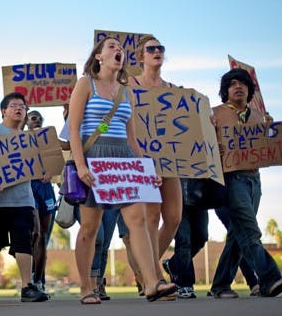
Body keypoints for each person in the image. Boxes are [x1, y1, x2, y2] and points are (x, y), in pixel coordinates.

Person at [69, 37, 175, 304]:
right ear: (98, 57)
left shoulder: (126, 92)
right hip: (95, 158)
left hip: (125, 160)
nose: (119, 51)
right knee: (90, 229)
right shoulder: (85, 84)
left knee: (137, 220)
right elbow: (73, 130)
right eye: (112, 47)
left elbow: (133, 139)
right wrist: (81, 165)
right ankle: (86, 287)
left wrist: (146, 169)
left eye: (121, 48)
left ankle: (151, 282)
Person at [209, 68, 282, 298]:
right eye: (232, 84)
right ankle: (269, 278)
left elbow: (275, 148)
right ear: (225, 90)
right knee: (249, 230)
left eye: (243, 84)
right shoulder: (213, 114)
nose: (238, 87)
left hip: (254, 179)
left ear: (250, 90)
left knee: (239, 233)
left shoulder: (260, 117)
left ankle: (220, 285)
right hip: (230, 179)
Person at [0, 92, 49, 303]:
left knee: (24, 243)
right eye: (14, 105)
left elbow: (43, 164)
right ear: (3, 111)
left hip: (22, 200)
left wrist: (45, 172)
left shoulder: (30, 139)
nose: (19, 109)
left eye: (23, 107)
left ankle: (27, 287)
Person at [127, 35, 182, 281]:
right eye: (151, 49)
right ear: (141, 56)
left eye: (160, 48)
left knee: (173, 217)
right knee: (151, 216)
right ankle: (155, 276)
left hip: (169, 160)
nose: (157, 51)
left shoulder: (173, 90)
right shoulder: (129, 85)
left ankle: (144, 269)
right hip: (142, 159)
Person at [25, 110, 56, 296]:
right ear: (27, 121)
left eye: (39, 118)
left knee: (44, 236)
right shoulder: (19, 140)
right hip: (29, 187)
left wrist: (51, 172)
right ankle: (31, 277)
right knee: (35, 233)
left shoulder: (48, 139)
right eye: (33, 118)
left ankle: (39, 280)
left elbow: (60, 156)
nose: (36, 121)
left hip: (45, 188)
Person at [161, 178, 208, 299]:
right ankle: (184, 283)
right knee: (184, 240)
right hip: (177, 193)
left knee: (201, 237)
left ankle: (172, 264)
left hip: (198, 191)